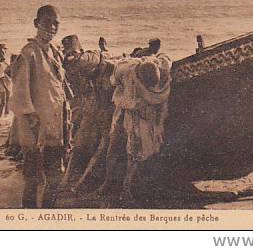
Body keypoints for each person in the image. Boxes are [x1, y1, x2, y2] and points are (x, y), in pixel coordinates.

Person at [9, 5, 70, 208]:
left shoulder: (54, 53)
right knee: (34, 179)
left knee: (55, 177)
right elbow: (19, 98)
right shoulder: (28, 54)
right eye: (47, 22)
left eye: (56, 23)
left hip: (55, 129)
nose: (52, 27)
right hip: (35, 132)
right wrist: (29, 130)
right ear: (36, 23)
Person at [96, 54, 172, 204]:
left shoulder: (163, 70)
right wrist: (127, 99)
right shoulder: (125, 69)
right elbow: (114, 83)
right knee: (113, 147)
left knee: (135, 152)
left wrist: (158, 121)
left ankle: (126, 187)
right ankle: (107, 182)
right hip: (124, 110)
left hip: (143, 115)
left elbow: (163, 101)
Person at [59, 35, 114, 190]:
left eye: (73, 51)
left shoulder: (86, 58)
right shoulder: (77, 62)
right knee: (83, 143)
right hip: (92, 106)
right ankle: (72, 179)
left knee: (98, 143)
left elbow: (88, 59)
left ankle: (79, 180)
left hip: (96, 106)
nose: (71, 55)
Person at [0, 43, 11, 119]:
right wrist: (5, 88)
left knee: (7, 102)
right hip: (2, 86)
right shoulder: (0, 64)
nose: (4, 52)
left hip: (7, 85)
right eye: (2, 51)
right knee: (3, 102)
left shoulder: (4, 63)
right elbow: (0, 78)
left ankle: (5, 117)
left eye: (4, 50)